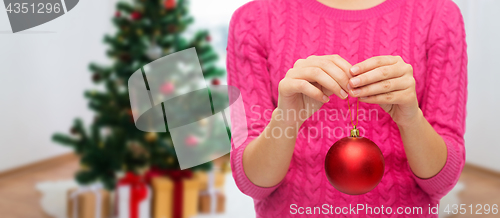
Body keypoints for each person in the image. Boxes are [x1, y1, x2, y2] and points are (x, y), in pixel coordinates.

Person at [226, 0, 467, 217]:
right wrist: (286, 119)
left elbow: (441, 182)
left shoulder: (439, 15)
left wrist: (412, 120)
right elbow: (252, 183)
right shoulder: (252, 20)